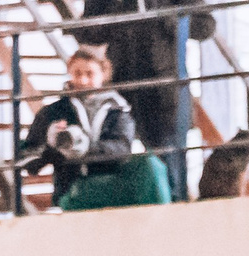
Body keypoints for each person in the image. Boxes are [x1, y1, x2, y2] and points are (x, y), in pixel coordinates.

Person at [73, 0, 214, 201]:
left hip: (164, 89)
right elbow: (88, 32)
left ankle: (175, 215)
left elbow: (205, 26)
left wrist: (162, 15)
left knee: (169, 167)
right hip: (123, 88)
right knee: (115, 162)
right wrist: (119, 11)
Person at [19, 47, 170, 211]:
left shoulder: (118, 111)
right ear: (69, 72)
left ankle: (163, 218)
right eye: (77, 73)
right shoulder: (53, 113)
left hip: (112, 185)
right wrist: (52, 146)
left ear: (103, 75)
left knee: (150, 165)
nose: (83, 81)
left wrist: (85, 149)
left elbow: (121, 149)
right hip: (72, 190)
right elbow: (29, 163)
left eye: (89, 74)